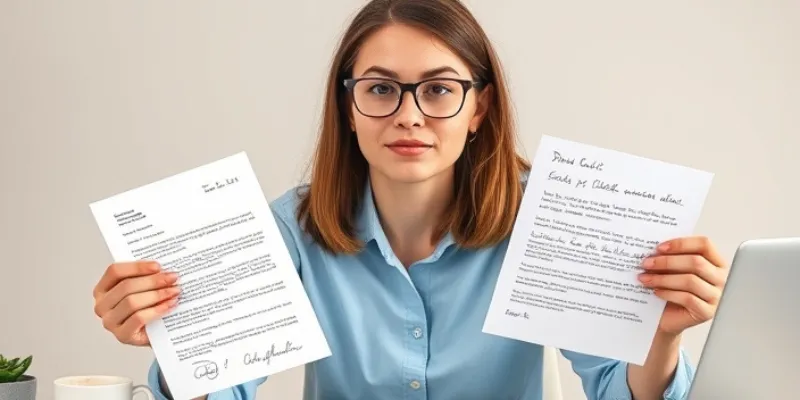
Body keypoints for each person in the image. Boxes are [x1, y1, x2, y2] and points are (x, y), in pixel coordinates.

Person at [91, 0, 730, 399]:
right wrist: (179, 345)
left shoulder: (551, 219)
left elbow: (620, 394)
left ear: (478, 108)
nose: (409, 116)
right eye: (380, 89)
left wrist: (659, 338)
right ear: (348, 106)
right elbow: (220, 391)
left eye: (438, 89)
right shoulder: (289, 228)